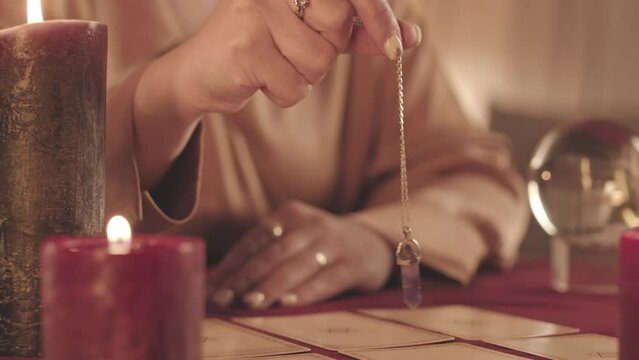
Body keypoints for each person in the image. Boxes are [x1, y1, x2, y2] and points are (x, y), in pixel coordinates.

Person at [37, 0, 528, 309]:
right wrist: (168, 91)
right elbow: (23, 206)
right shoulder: (36, 13)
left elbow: (481, 183)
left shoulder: (363, 15)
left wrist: (374, 238)